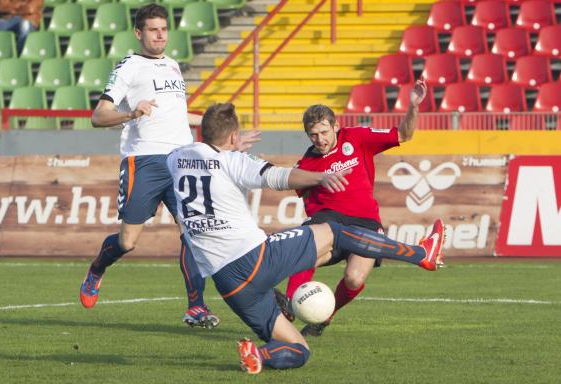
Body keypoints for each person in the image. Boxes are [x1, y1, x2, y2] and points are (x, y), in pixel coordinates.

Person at [166, 102, 445, 374]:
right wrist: (320, 177)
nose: (320, 139)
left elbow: (205, 157)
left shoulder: (175, 159)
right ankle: (421, 254)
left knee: (300, 349)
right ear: (234, 136)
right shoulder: (237, 162)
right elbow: (277, 176)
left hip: (229, 285)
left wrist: (225, 147)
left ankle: (259, 354)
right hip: (254, 258)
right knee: (332, 231)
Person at [78, 4, 259, 328]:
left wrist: (227, 137)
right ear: (139, 33)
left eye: (163, 28)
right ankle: (98, 268)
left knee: (193, 234)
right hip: (144, 160)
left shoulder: (173, 66)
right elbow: (98, 115)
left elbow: (178, 117)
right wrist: (132, 113)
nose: (160, 34)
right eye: (153, 29)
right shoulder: (129, 68)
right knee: (128, 242)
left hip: (182, 160)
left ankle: (196, 307)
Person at [274, 79, 434, 337]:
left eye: (324, 132)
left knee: (355, 279)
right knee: (304, 253)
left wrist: (413, 107)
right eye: (314, 135)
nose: (321, 139)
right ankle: (291, 303)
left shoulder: (357, 137)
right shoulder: (307, 163)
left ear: (336, 126)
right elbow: (291, 185)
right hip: (329, 221)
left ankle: (324, 317)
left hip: (365, 222)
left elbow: (404, 135)